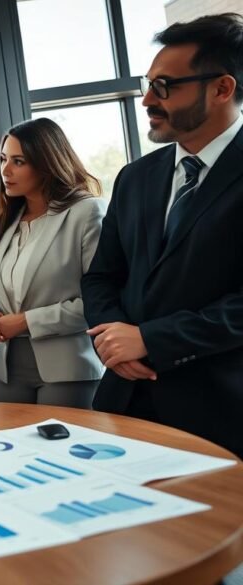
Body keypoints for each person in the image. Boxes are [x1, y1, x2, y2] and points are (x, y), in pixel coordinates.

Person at [82, 14, 243, 457]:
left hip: (221, 412)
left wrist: (153, 340)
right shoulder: (135, 177)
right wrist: (111, 341)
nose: (148, 100)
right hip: (125, 403)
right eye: (147, 84)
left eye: (165, 86)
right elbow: (100, 276)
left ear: (222, 88)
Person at [0, 118, 104, 408]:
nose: (5, 171)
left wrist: (25, 321)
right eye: (3, 159)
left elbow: (99, 301)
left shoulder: (86, 212)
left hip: (68, 370)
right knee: (8, 451)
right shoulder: (5, 223)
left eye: (18, 161)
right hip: (8, 371)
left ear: (47, 163)